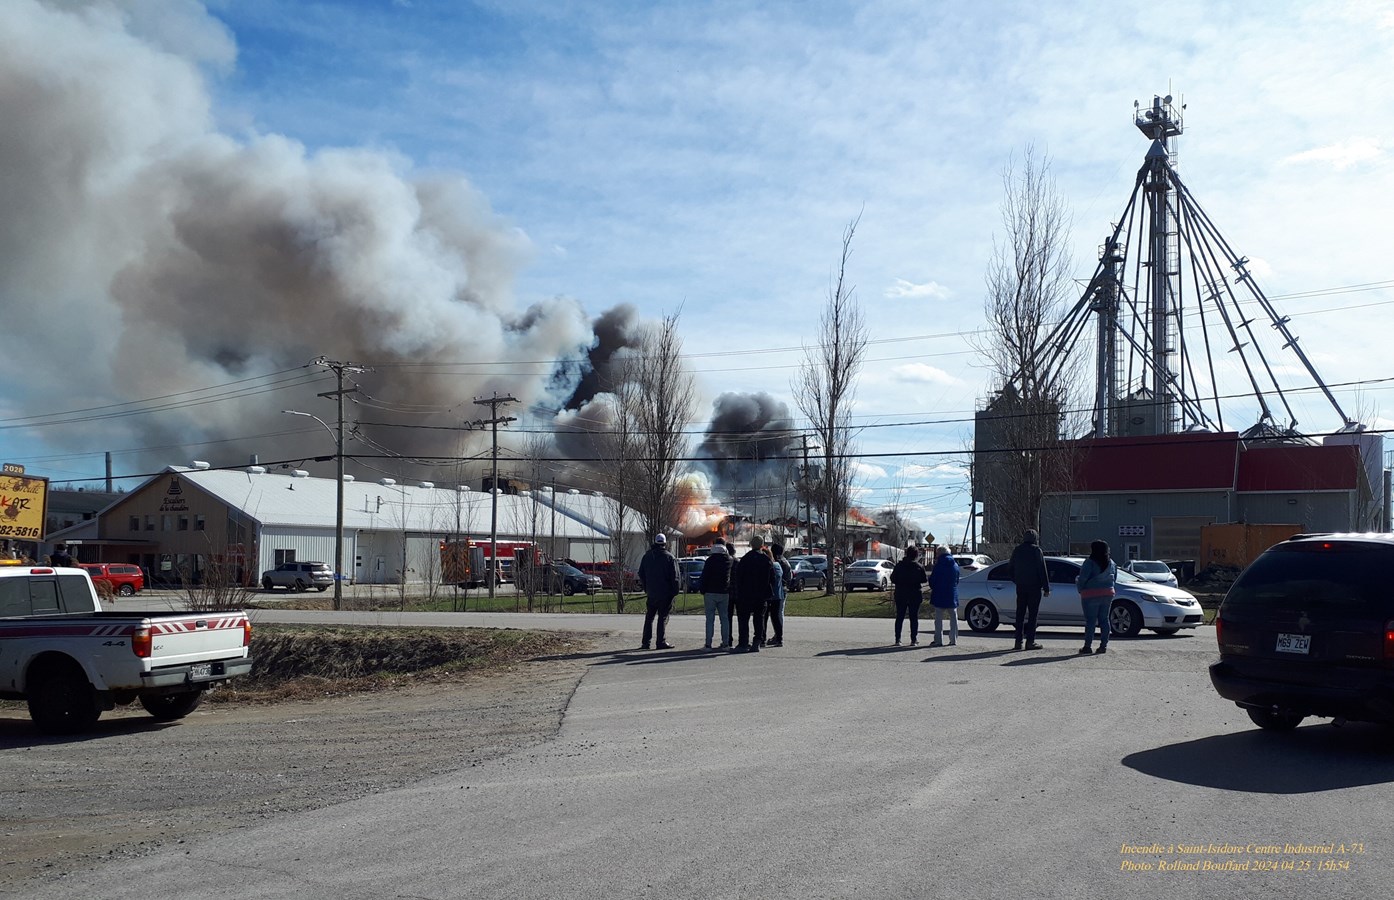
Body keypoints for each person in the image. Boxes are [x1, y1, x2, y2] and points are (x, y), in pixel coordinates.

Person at [731, 535, 777, 653]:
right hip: (761, 595)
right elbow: (773, 578)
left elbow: (739, 576)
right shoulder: (766, 560)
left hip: (746, 594)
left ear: (751, 545)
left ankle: (743, 643)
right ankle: (757, 642)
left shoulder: (745, 559)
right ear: (762, 545)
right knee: (759, 619)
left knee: (743, 619)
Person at [637, 533, 679, 650]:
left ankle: (646, 643)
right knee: (662, 617)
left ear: (655, 543)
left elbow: (641, 573)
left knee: (649, 617)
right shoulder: (670, 557)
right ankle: (660, 642)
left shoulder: (647, 556)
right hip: (665, 594)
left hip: (652, 593)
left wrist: (646, 588)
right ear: (665, 543)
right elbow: (675, 577)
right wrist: (674, 591)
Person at [1009, 529, 1050, 650]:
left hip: (1021, 586)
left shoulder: (1017, 550)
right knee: (1033, 615)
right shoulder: (1036, 550)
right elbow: (1042, 569)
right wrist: (1046, 587)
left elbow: (1010, 568)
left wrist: (1016, 580)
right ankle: (1030, 641)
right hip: (1034, 587)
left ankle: (1018, 642)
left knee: (1020, 614)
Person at [1076, 539, 1117, 655]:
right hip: (1108, 593)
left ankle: (1087, 646)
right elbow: (1115, 579)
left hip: (1091, 594)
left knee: (1091, 621)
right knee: (1104, 620)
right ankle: (1103, 646)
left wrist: (1080, 588)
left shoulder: (1089, 562)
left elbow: (1083, 578)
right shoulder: (1112, 563)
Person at [889, 547, 928, 646]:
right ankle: (913, 640)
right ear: (916, 555)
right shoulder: (919, 567)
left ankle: (898, 639)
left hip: (901, 593)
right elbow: (924, 579)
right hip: (914, 593)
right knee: (914, 617)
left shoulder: (899, 566)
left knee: (900, 616)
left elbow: (892, 578)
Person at [698, 542, 733, 649]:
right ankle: (726, 643)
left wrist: (702, 590)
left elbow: (704, 577)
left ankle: (708, 644)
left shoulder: (709, 561)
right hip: (724, 592)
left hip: (710, 592)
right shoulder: (729, 561)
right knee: (724, 619)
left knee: (710, 620)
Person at [928, 546, 961, 647]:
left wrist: (932, 585)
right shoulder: (955, 565)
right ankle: (953, 639)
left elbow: (933, 580)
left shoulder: (938, 565)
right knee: (953, 618)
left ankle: (938, 640)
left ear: (940, 553)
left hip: (939, 594)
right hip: (952, 594)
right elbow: (957, 580)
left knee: (938, 619)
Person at [764, 543, 791, 647]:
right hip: (782, 590)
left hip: (775, 589)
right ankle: (778, 636)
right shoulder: (786, 562)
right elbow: (789, 577)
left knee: (772, 615)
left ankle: (774, 636)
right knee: (778, 614)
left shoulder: (774, 563)